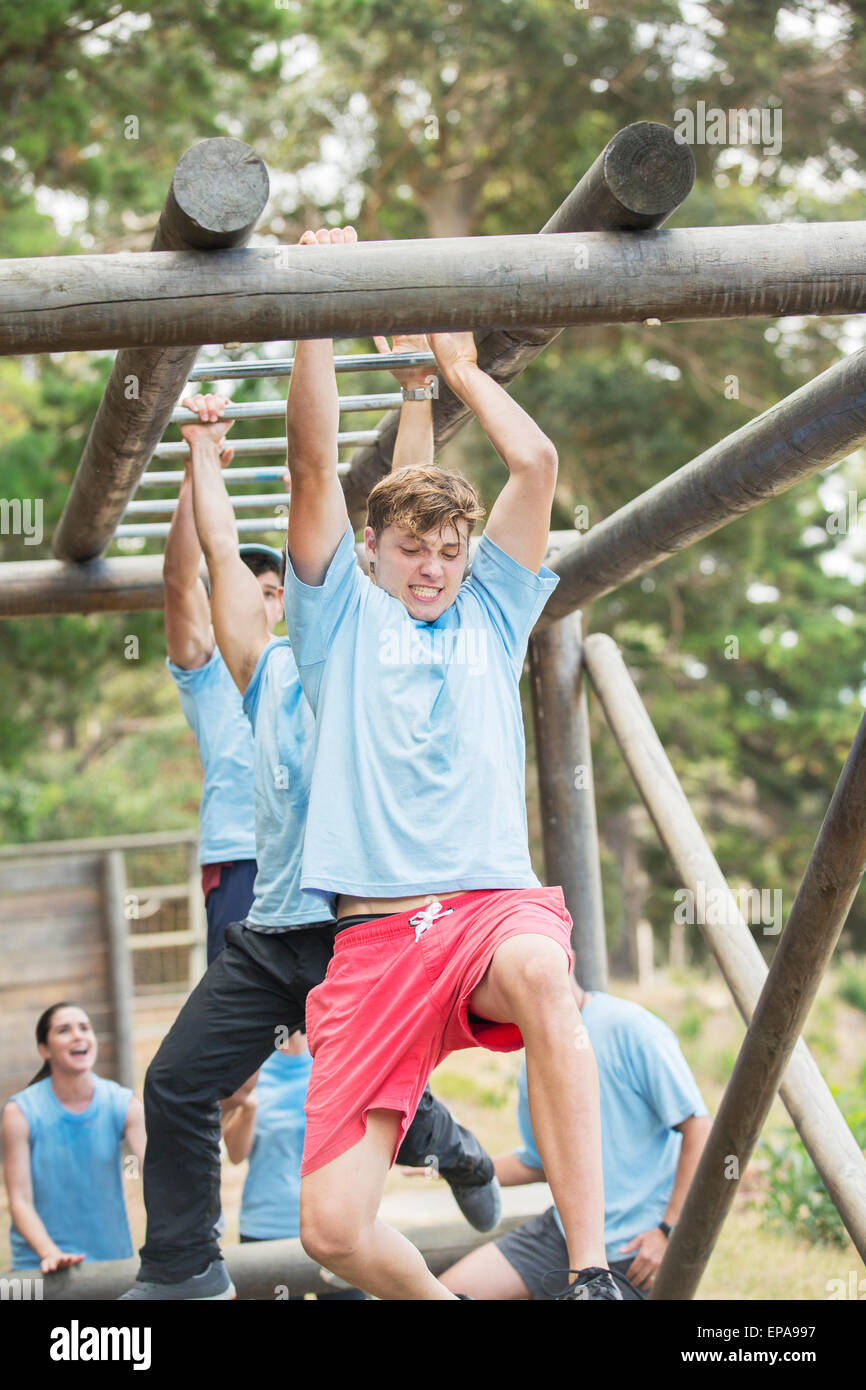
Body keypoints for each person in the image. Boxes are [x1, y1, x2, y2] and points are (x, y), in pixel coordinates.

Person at [120, 315, 500, 1301]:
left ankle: (452, 1146)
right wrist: (201, 454)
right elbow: (214, 555)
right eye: (264, 589)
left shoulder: (373, 651)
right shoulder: (258, 672)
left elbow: (394, 504)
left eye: (287, 578)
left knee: (380, 1099)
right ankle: (183, 1269)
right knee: (176, 1081)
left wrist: (415, 386)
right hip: (272, 929)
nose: (273, 590)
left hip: (360, 929)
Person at [282, 225, 616, 1302]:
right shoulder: (337, 617)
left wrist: (455, 365)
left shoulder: (492, 614)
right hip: (375, 937)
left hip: (483, 909)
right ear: (369, 551)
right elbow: (309, 464)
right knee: (332, 1228)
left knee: (549, 985)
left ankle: (589, 1266)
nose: (429, 566)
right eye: (409, 548)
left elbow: (536, 464)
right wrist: (316, 306)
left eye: (446, 550)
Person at [438, 980, 711, 1299]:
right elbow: (539, 1164)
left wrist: (668, 1232)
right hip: (562, 1233)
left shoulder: (630, 1028)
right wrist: (456, 1164)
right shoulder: (534, 1058)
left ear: (567, 961)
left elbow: (699, 1130)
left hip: (636, 1245)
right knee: (440, 1293)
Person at [163, 419, 283, 965]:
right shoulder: (206, 663)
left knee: (329, 1008)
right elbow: (179, 579)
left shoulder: (304, 661)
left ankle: (298, 1058)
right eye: (249, 590)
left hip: (311, 850)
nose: (261, 602)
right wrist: (197, 469)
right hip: (238, 852)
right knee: (238, 1008)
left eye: (272, 591)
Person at [222, 1030, 366, 1300]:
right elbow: (236, 1154)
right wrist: (247, 1107)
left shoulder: (335, 1059)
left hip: (335, 1229)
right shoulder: (253, 1066)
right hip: (267, 1230)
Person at [2, 1003, 145, 1272]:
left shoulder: (124, 1104)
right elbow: (19, 1200)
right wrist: (50, 1253)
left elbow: (152, 1171)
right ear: (44, 1049)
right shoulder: (19, 1113)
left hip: (111, 1263)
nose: (78, 1036)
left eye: (84, 1028)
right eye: (64, 1030)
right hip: (39, 1266)